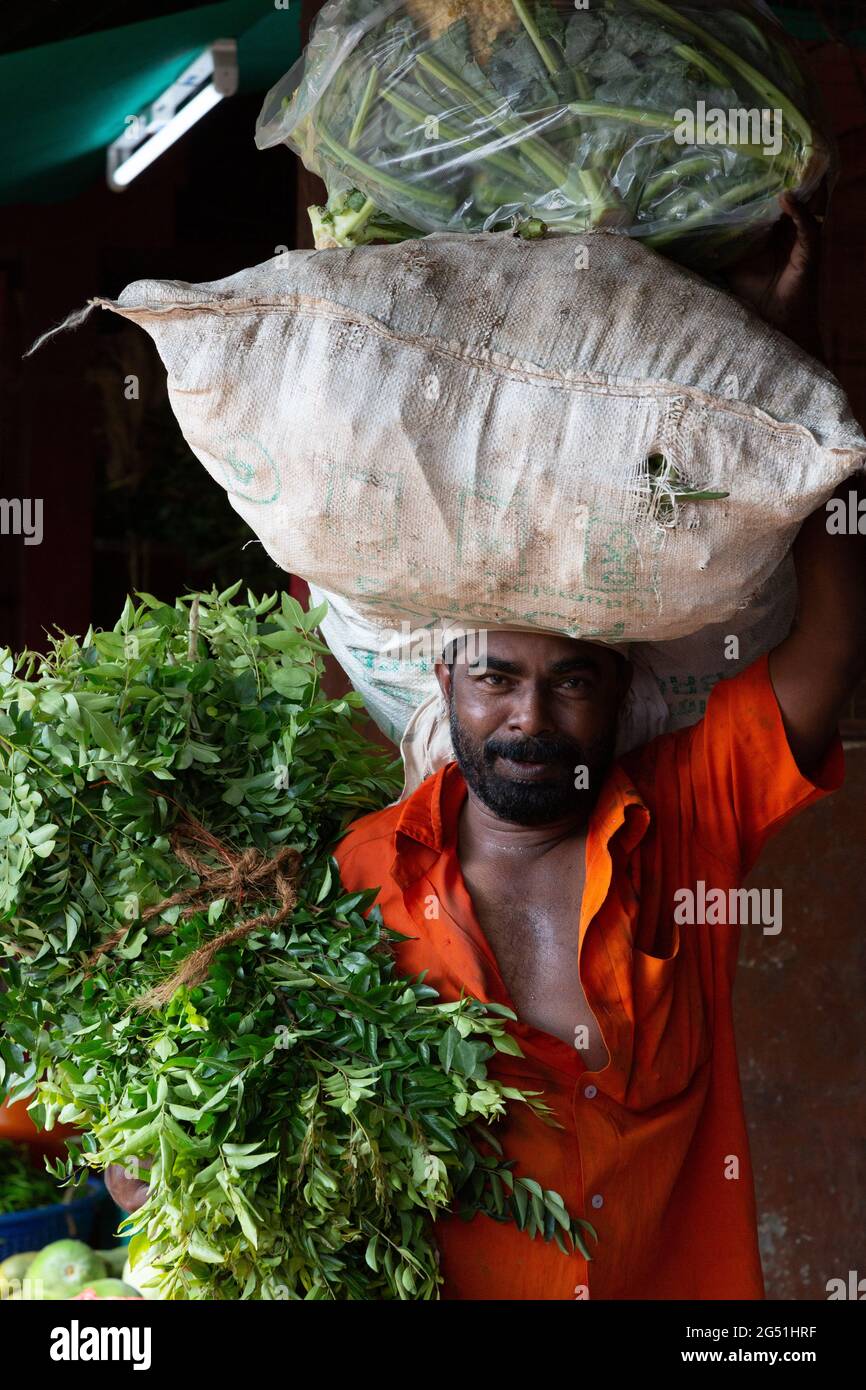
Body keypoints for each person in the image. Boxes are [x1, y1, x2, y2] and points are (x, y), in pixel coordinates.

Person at [106, 195, 864, 1298]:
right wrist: (161, 1164)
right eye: (496, 679)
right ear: (445, 683)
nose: (530, 717)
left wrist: (800, 393)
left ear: (617, 692)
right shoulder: (352, 885)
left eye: (571, 682)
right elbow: (236, 1128)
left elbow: (833, 641)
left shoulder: (687, 819)